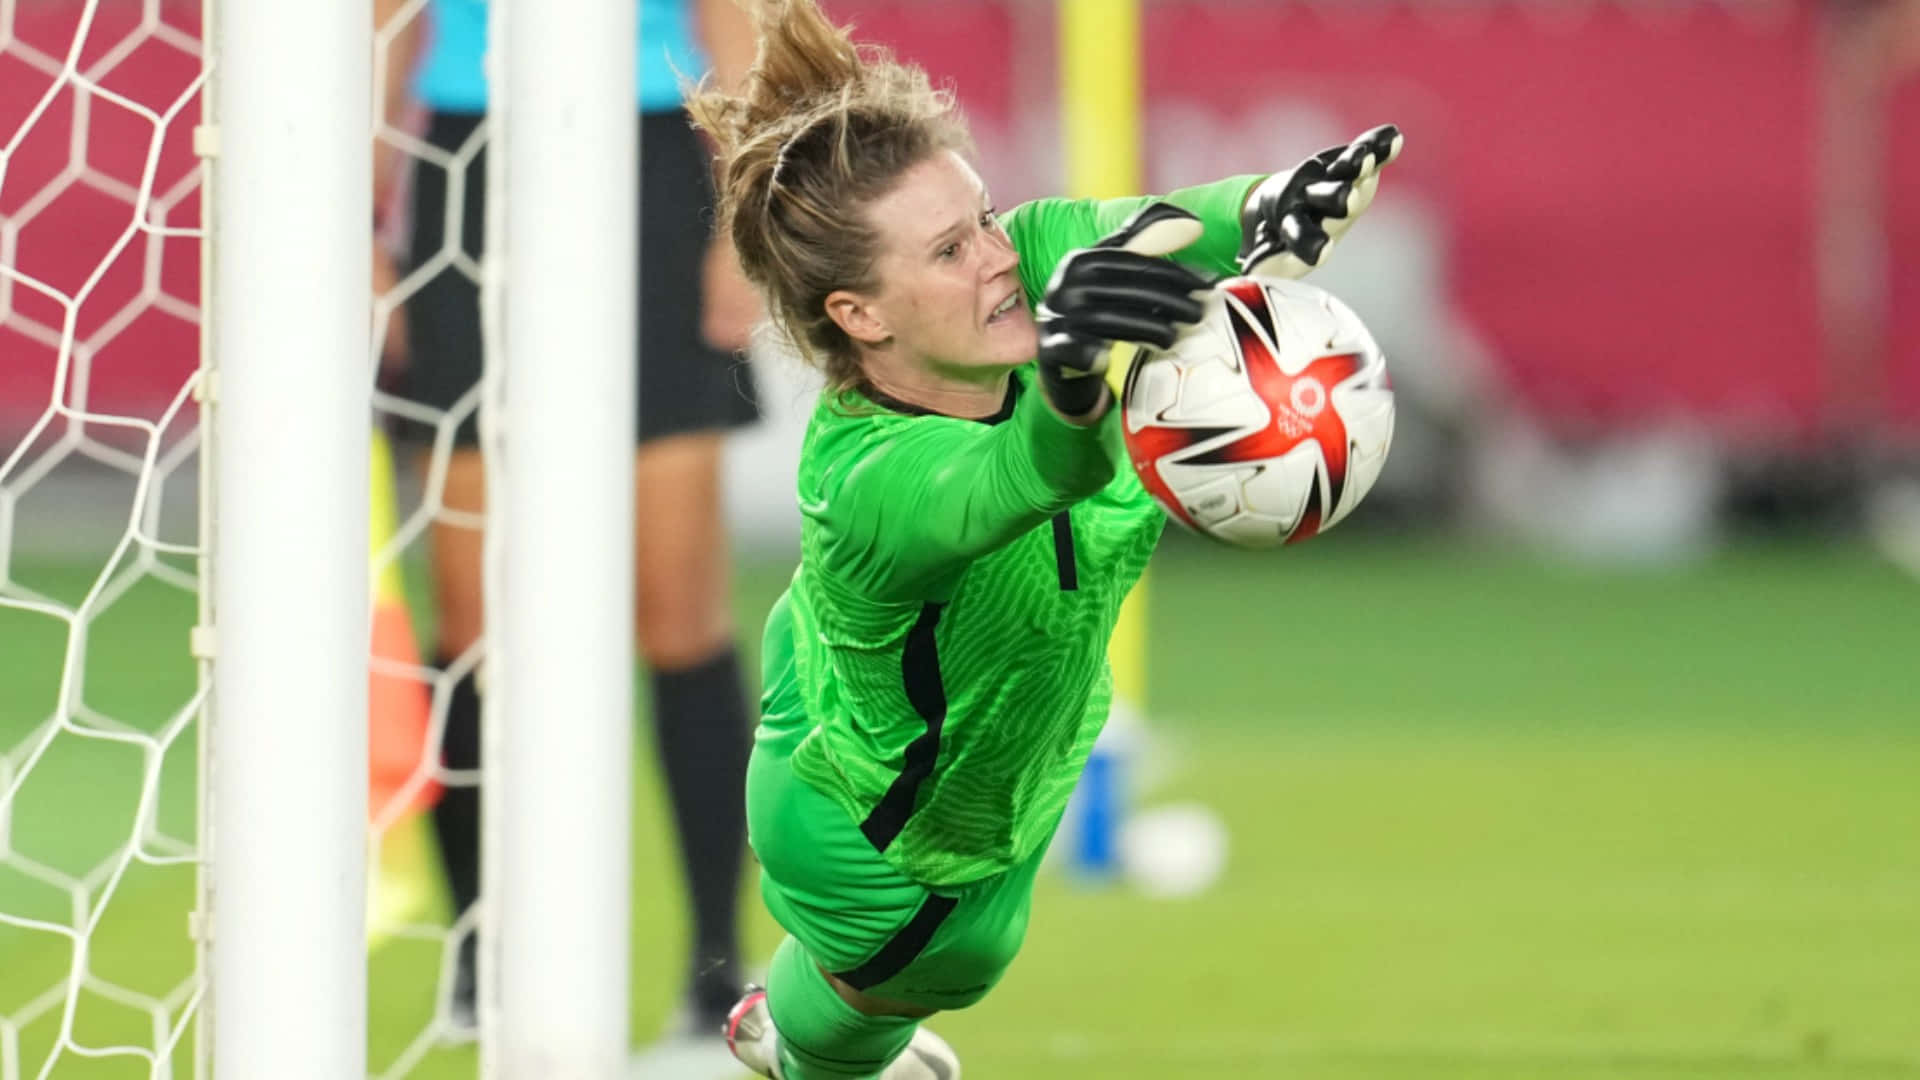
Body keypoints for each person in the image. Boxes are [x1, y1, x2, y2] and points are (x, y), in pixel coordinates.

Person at [684, 1, 1403, 1075]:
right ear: (862, 317)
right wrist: (1067, 391)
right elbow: (1028, 474)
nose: (996, 256)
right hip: (885, 839)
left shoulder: (1020, 262)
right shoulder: (871, 480)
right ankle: (802, 1045)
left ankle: (799, 1027)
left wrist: (1266, 206)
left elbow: (1165, 223)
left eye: (979, 217)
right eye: (948, 249)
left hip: (877, 692)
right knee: (947, 964)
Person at [372, 0, 765, 1035]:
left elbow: (737, 27)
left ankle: (717, 965)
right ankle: (477, 954)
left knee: (678, 610)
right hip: (475, 174)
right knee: (473, 623)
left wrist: (743, 223)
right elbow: (382, 28)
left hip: (652, 176)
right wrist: (361, 226)